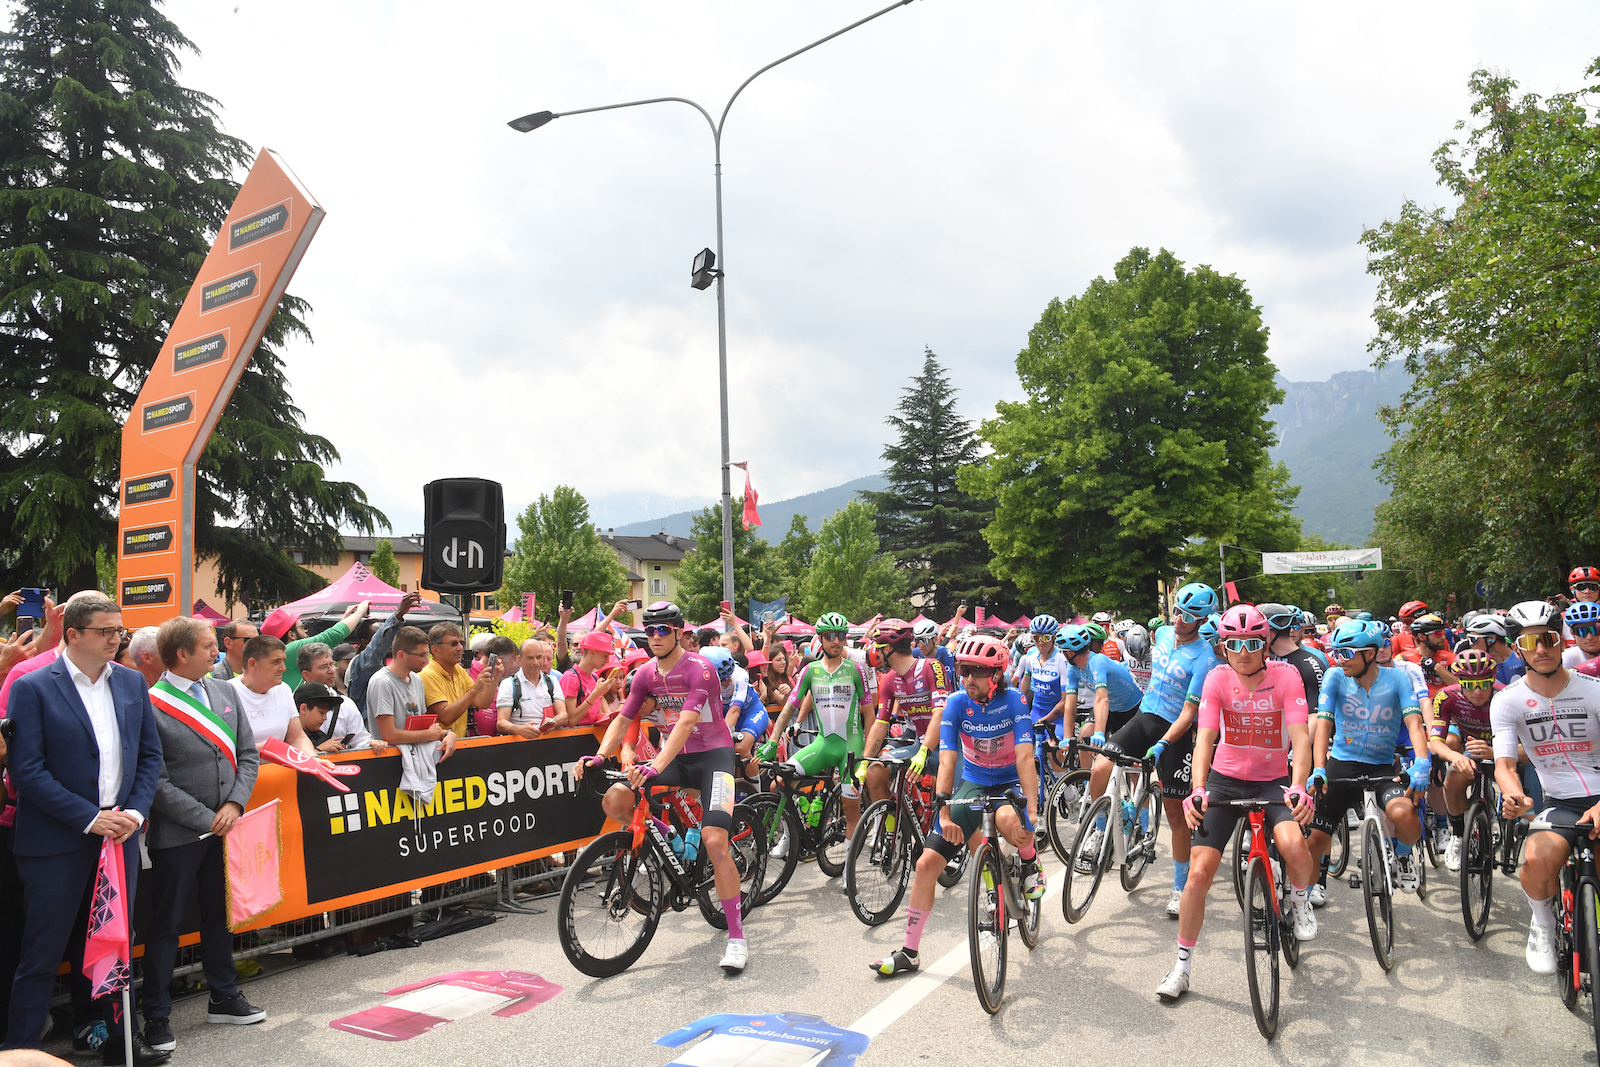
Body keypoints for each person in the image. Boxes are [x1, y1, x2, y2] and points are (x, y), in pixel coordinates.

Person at [2, 593, 167, 1064]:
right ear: (73, 634)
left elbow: (149, 756)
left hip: (120, 837)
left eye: (120, 630)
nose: (116, 639)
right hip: (56, 843)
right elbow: (26, 771)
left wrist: (135, 813)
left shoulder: (131, 683)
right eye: (105, 631)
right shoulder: (33, 686)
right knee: (42, 954)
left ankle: (119, 1043)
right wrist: (89, 817)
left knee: (114, 948)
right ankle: (21, 1052)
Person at [575, 602, 748, 973]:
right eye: (649, 630)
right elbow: (623, 719)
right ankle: (667, 836)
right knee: (616, 800)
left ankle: (736, 937)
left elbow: (685, 723)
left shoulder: (700, 669)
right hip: (677, 759)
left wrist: (654, 765)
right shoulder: (645, 674)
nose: (655, 637)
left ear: (679, 632)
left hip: (714, 758)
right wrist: (599, 756)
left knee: (715, 842)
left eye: (663, 630)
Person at [1159, 606, 1317, 1002]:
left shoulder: (1287, 675)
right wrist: (1198, 789)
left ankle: (1299, 900)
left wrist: (1300, 786)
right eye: (1233, 644)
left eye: (1251, 644)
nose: (1242, 653)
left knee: (1295, 847)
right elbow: (1205, 738)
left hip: (1275, 780)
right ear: (1223, 646)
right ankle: (1181, 967)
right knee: (1198, 874)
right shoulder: (1216, 678)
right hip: (1225, 781)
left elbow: (1301, 737)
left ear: (1265, 644)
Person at [869, 634, 1041, 977]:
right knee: (925, 865)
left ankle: (1029, 861)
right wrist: (945, 812)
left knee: (1012, 825)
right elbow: (947, 759)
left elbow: (1025, 758)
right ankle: (909, 952)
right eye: (963, 670)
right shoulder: (956, 704)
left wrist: (1032, 810)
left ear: (996, 675)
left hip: (1009, 781)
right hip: (974, 783)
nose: (968, 678)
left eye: (977, 672)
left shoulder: (1014, 701)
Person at [142, 617, 265, 1054]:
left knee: (219, 916)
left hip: (225, 828)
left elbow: (247, 754)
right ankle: (155, 1015)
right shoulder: (151, 704)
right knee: (166, 925)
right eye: (208, 646)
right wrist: (207, 818)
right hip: (178, 835)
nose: (217, 652)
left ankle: (223, 995)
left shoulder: (225, 692)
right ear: (181, 654)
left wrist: (234, 805)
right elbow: (155, 781)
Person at [1084, 582, 1219, 918]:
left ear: (1202, 620)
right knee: (1100, 767)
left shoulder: (1204, 657)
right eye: (1177, 611)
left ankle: (1180, 885)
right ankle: (1101, 829)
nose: (1180, 619)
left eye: (1188, 615)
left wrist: (1164, 743)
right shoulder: (1164, 635)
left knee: (1175, 813)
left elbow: (1189, 712)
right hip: (1143, 717)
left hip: (1174, 731)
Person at [1491, 600, 1600, 975]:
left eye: (1549, 638)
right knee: (1537, 860)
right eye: (1530, 642)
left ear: (1561, 640)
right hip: (1561, 802)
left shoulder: (1593, 690)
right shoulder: (1507, 701)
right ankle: (1542, 923)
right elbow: (1505, 765)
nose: (1541, 649)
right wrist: (1513, 793)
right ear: (1517, 648)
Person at [1306, 619, 1431, 893]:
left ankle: (1404, 854)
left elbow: (1414, 723)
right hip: (1341, 764)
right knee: (1313, 841)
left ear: (1370, 654)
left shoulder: (1397, 678)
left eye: (1346, 653)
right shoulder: (1335, 677)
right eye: (1336, 652)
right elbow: (1324, 725)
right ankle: (1306, 897)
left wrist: (1422, 761)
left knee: (1406, 815)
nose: (1340, 659)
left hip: (1381, 767)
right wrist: (1318, 767)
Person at [758, 612, 869, 842]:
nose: (836, 641)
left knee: (850, 809)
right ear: (820, 638)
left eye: (840, 635)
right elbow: (789, 707)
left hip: (851, 747)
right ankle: (791, 835)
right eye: (830, 636)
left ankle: (849, 860)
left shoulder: (856, 670)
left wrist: (866, 757)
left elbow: (870, 714)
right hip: (823, 744)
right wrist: (773, 740)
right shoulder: (810, 671)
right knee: (780, 781)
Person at [856, 621, 945, 808]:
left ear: (887, 649)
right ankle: (893, 825)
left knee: (955, 813)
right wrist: (864, 762)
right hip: (920, 746)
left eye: (878, 648)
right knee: (875, 772)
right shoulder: (889, 679)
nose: (876, 653)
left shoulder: (932, 666)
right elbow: (880, 723)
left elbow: (940, 713)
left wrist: (924, 751)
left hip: (949, 748)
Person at [1428, 648, 1501, 872]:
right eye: (1469, 685)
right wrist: (1454, 756)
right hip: (1473, 749)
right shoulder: (1447, 697)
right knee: (1452, 779)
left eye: (1484, 683)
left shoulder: (1507, 695)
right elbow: (1435, 742)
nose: (1478, 691)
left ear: (1493, 680)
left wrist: (1495, 752)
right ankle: (1458, 835)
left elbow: (1525, 748)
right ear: (1459, 682)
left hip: (1504, 749)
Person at [366, 627, 460, 756]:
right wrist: (428, 734)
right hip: (389, 758)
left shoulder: (416, 679)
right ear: (401, 655)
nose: (426, 660)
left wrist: (447, 734)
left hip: (416, 756)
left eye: (427, 654)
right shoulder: (382, 682)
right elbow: (389, 735)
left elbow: (423, 726)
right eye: (421, 655)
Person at [1060, 623, 1144, 756]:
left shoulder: (1097, 661)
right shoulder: (1072, 668)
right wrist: (1067, 736)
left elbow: (1102, 698)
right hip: (1111, 707)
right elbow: (1070, 703)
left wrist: (1099, 732)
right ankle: (1087, 770)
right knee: (1085, 738)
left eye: (1063, 651)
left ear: (1069, 652)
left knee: (1124, 757)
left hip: (1131, 708)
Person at [229, 636, 320, 755]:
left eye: (283, 661)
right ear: (252, 664)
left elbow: (297, 738)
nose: (283, 668)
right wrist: (274, 749)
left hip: (279, 764)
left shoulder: (283, 689)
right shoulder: (227, 692)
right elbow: (227, 745)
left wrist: (313, 759)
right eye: (276, 662)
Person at [342, 592, 423, 716]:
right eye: (380, 637)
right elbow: (375, 650)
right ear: (365, 643)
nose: (389, 641)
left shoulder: (405, 673)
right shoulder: (361, 663)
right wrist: (398, 615)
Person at [418, 623, 504, 738]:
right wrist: (475, 689)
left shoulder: (459, 670)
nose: (460, 648)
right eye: (453, 644)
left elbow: (482, 703)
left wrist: (495, 678)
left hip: (457, 743)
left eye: (461, 643)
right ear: (435, 650)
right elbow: (446, 717)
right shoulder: (428, 675)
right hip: (438, 745)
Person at [266, 600, 370, 691]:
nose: (306, 631)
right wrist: (359, 612)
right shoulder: (289, 649)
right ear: (291, 634)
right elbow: (331, 637)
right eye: (302, 627)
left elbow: (325, 642)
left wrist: (346, 619)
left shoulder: (282, 653)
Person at [295, 644, 380, 752]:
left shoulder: (346, 704)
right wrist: (318, 751)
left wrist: (371, 744)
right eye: (323, 667)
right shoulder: (289, 704)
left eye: (332, 664)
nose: (332, 670)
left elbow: (361, 740)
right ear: (306, 675)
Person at [496, 639, 566, 737]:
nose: (535, 662)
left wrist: (553, 722)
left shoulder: (552, 681)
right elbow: (501, 723)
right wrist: (519, 729)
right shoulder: (508, 684)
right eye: (530, 658)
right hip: (520, 743)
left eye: (539, 657)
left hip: (548, 742)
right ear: (520, 659)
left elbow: (563, 715)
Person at [1017, 616, 1070, 741]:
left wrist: (1045, 720)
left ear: (1054, 638)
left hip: (1057, 716)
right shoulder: (1031, 658)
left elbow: (1065, 700)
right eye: (1036, 638)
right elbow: (1025, 684)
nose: (1040, 642)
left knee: (1052, 746)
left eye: (1045, 638)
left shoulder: (1062, 660)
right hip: (1036, 712)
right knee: (1024, 746)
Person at [559, 631, 624, 727]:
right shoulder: (570, 678)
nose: (607, 660)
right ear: (592, 652)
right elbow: (571, 720)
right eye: (605, 656)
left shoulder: (594, 677)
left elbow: (598, 714)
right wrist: (596, 694)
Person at [1463, 612, 1526, 685]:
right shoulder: (1475, 665)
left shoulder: (1522, 659)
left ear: (1491, 639)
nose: (1470, 643)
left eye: (1473, 639)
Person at [1562, 601, 1600, 669]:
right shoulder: (1566, 658)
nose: (1590, 637)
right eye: (1582, 631)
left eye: (1595, 630)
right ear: (1572, 633)